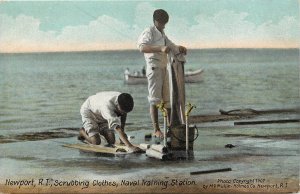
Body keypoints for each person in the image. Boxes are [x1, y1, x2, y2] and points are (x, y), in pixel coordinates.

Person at [137, 9, 187, 138]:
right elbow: (142, 47)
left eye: (165, 23)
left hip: (165, 68)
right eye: (162, 23)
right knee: (154, 99)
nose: (163, 25)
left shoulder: (162, 33)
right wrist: (160, 48)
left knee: (168, 99)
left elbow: (170, 45)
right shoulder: (149, 31)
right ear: (155, 21)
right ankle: (156, 129)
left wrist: (179, 48)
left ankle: (170, 127)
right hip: (154, 68)